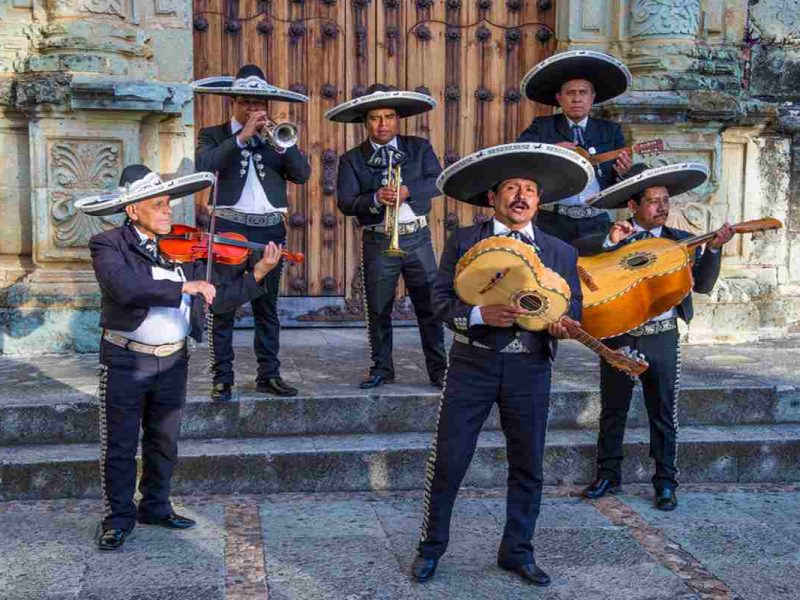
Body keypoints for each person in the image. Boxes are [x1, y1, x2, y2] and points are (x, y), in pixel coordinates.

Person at [411, 143, 593, 586]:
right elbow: (438, 302)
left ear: (538, 199)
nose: (521, 196)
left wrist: (563, 326)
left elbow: (577, 310)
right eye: (512, 187)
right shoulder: (465, 241)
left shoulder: (559, 252)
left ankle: (518, 551)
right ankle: (431, 549)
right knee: (450, 459)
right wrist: (476, 315)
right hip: (473, 364)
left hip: (530, 369)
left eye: (529, 189)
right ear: (493, 197)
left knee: (528, 462)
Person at [75, 164, 281, 550]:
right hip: (126, 359)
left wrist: (259, 273)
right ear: (133, 210)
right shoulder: (109, 243)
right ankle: (118, 517)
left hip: (173, 360)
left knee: (164, 439)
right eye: (158, 205)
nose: (168, 211)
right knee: (120, 443)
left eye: (168, 203)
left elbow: (219, 300)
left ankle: (155, 504)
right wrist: (184, 285)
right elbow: (125, 288)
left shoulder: (185, 247)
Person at [573, 163, 735, 510]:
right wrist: (609, 243)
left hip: (662, 336)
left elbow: (704, 286)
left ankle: (665, 482)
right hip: (620, 334)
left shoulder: (681, 242)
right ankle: (608, 475)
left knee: (662, 411)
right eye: (652, 201)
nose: (661, 207)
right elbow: (577, 250)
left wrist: (716, 249)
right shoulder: (615, 235)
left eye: (665, 200)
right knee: (613, 409)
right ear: (633, 206)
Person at [193, 64, 311, 400]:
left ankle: (268, 375)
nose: (254, 109)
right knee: (223, 305)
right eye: (247, 102)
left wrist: (283, 146)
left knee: (266, 306)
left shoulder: (277, 137)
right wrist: (241, 137)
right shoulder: (214, 134)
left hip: (270, 229)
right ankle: (222, 377)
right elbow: (204, 165)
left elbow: (301, 175)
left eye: (260, 103)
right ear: (233, 102)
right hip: (228, 227)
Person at [327, 84, 446, 389]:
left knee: (429, 307)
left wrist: (408, 190)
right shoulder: (352, 158)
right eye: (376, 118)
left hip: (417, 238)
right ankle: (382, 368)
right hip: (379, 240)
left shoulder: (418, 147)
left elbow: (438, 181)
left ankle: (439, 370)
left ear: (397, 119)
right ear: (366, 122)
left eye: (389, 117)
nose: (383, 124)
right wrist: (376, 198)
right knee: (378, 308)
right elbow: (345, 203)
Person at [517, 50, 633, 243]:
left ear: (592, 97)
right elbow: (521, 155)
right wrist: (553, 150)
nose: (577, 99)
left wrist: (623, 173)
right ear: (559, 98)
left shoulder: (611, 131)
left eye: (583, 93)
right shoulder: (542, 126)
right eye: (570, 93)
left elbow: (619, 182)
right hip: (553, 222)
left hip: (597, 222)